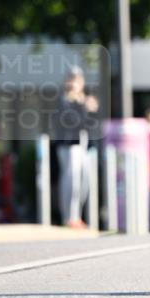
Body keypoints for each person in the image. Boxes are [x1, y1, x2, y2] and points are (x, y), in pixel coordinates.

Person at [55, 66, 99, 229]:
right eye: (72, 79)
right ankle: (69, 217)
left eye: (78, 79)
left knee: (84, 183)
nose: (75, 83)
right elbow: (70, 121)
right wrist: (82, 106)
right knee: (70, 181)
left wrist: (91, 109)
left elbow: (91, 124)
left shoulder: (84, 100)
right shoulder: (63, 100)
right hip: (68, 145)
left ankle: (77, 215)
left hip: (83, 145)